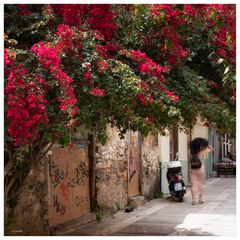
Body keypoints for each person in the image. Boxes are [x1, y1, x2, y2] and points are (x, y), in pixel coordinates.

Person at [189, 137, 213, 205]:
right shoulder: (203, 151)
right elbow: (211, 149)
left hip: (192, 168)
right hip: (200, 169)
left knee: (193, 184)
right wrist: (207, 144)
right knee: (201, 184)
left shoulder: (190, 151)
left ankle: (193, 200)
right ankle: (201, 198)